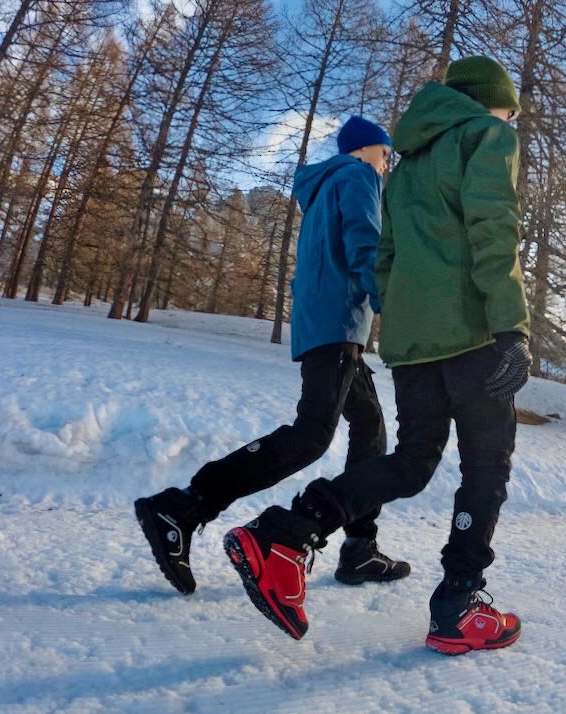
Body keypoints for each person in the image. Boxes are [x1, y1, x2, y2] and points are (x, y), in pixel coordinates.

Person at [222, 56, 531, 655]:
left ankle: (286, 533)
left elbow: (385, 256)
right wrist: (511, 326)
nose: (510, 118)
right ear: (489, 102)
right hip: (474, 333)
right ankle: (458, 604)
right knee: (486, 467)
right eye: (508, 107)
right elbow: (495, 227)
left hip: (414, 345)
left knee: (413, 463)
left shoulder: (407, 163)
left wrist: (408, 315)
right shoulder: (488, 136)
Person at [134, 116, 410, 595]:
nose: (388, 165)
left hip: (326, 322)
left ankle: (360, 547)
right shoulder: (358, 176)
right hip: (337, 323)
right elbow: (365, 248)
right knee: (311, 435)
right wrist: (397, 311)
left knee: (370, 425)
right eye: (386, 154)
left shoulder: (325, 187)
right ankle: (184, 506)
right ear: (370, 150)